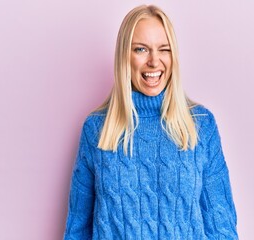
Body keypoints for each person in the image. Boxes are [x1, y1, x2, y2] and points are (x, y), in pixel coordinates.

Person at [63, 4, 238, 240]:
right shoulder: (97, 129)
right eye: (141, 49)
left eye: (163, 49)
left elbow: (222, 227)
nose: (154, 61)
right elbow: (77, 230)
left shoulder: (200, 125)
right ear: (125, 55)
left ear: (173, 56)